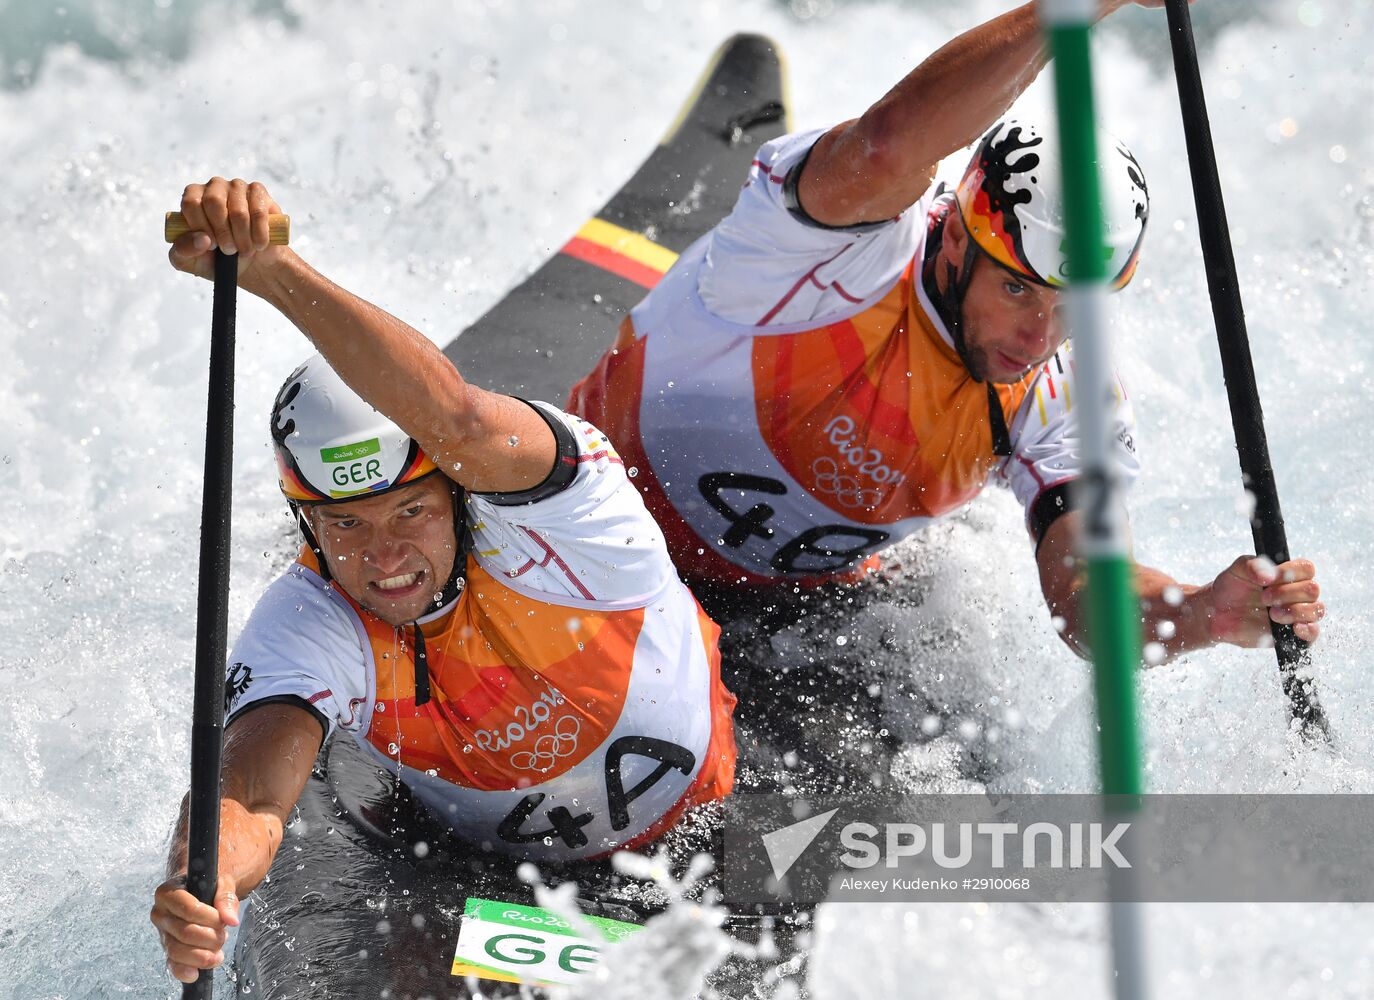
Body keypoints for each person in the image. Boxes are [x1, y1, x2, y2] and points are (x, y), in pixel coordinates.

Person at [569, 0, 1324, 662]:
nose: (1040, 334)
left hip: (801, 608)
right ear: (958, 242)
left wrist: (1200, 615)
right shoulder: (848, 250)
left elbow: (1085, 600)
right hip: (593, 524)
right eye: (1018, 289)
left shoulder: (1064, 395)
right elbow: (887, 143)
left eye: (1073, 308)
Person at [148, 180, 738, 985]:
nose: (383, 558)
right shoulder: (310, 617)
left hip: (707, 830)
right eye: (344, 525)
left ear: (457, 492)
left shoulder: (571, 521)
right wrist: (206, 873)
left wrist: (272, 269)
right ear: (306, 525)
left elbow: (461, 420)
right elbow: (249, 794)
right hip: (486, 882)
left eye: (409, 513)